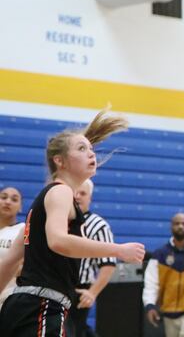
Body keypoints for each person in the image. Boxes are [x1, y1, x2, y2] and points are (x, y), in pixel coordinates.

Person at [0, 108, 146, 337]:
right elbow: (58, 241)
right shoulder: (61, 192)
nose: (91, 154)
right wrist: (118, 250)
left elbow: (8, 263)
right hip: (43, 305)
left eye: (90, 148)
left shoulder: (43, 202)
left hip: (20, 307)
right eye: (81, 148)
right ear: (60, 161)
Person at [70, 179, 116, 337]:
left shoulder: (98, 225)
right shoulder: (59, 220)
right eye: (75, 191)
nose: (77, 196)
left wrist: (92, 293)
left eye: (83, 193)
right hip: (56, 285)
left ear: (90, 198)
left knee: (75, 330)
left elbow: (108, 264)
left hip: (79, 290)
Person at [0, 187, 24, 308]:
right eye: (3, 197)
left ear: (20, 207)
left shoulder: (23, 230)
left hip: (10, 301)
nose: (8, 201)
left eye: (14, 199)